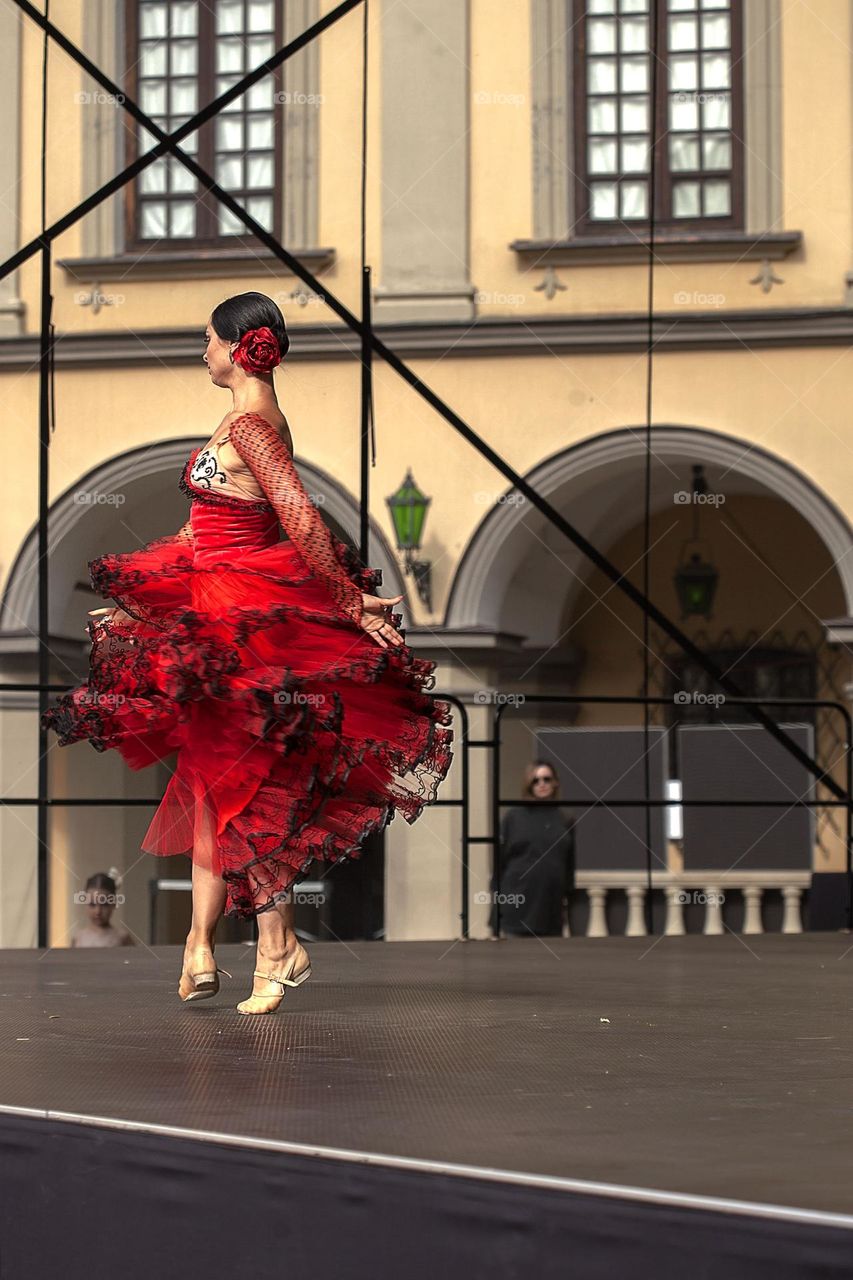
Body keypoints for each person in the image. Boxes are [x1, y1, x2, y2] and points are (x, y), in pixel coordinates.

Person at [43, 291, 454, 1014]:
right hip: (213, 608)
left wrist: (346, 596)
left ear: (238, 347)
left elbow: (296, 511)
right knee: (210, 780)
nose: (200, 351)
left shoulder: (255, 424)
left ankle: (271, 946)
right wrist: (143, 599)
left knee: (234, 785)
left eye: (206, 340)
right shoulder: (237, 420)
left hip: (244, 622)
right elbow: (205, 527)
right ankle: (214, 948)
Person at [490, 760, 575, 937]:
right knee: (516, 960)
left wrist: (567, 903)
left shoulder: (565, 818)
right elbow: (500, 863)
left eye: (546, 779)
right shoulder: (514, 817)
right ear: (528, 784)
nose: (541, 784)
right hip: (517, 903)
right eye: (536, 780)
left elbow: (569, 865)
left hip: (551, 907)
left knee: (549, 960)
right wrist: (496, 908)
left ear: (555, 782)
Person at [70, 872, 134, 948]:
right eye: (92, 904)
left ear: (114, 903)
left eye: (104, 905)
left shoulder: (122, 938)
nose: (98, 911)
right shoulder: (78, 938)